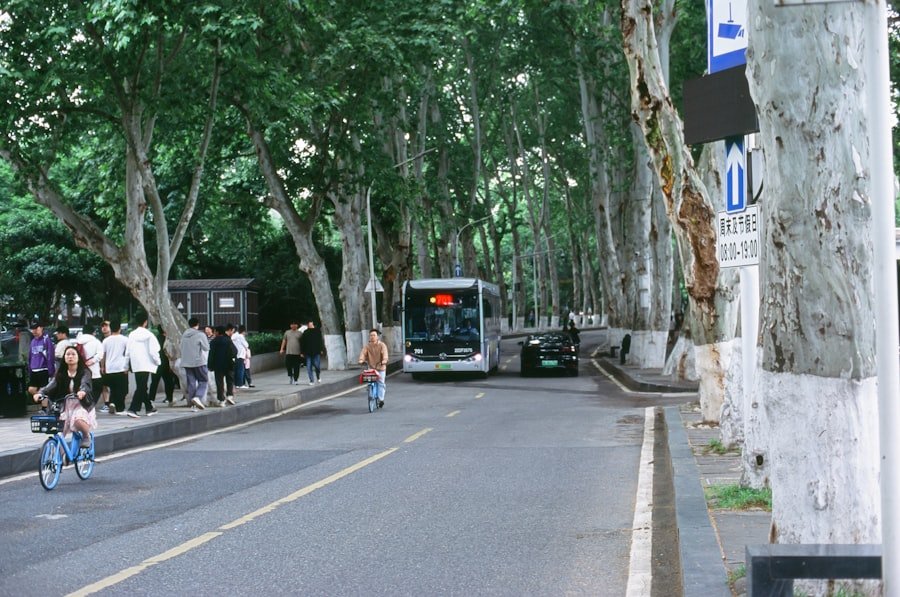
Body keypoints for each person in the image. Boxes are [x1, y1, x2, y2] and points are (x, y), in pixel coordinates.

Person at [35, 345, 95, 449]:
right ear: (64, 357)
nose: (70, 356)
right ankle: (60, 455)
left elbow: (85, 384)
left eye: (73, 354)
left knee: (78, 420)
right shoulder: (60, 373)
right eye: (68, 354)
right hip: (64, 406)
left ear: (78, 357)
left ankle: (86, 436)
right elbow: (50, 386)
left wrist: (82, 391)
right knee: (59, 432)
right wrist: (40, 393)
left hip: (82, 404)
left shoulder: (85, 372)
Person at [125, 312, 161, 418]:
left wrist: (125, 366)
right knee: (141, 386)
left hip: (136, 364)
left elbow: (127, 352)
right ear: (145, 322)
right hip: (147, 364)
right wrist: (158, 361)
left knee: (142, 386)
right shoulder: (149, 335)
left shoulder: (131, 335)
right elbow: (154, 351)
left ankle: (149, 407)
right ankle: (133, 409)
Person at [180, 317, 210, 411]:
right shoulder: (200, 334)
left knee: (191, 383)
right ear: (197, 324)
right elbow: (206, 348)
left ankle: (193, 405)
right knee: (203, 380)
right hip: (198, 361)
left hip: (186, 362)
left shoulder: (184, 334)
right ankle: (198, 397)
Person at [101, 320, 129, 415]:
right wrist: (127, 366)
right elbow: (127, 354)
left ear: (111, 328)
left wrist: (102, 367)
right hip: (121, 367)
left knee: (113, 388)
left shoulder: (106, 341)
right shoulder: (125, 339)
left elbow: (103, 355)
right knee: (122, 389)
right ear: (120, 328)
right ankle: (120, 408)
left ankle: (112, 403)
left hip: (109, 368)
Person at [75, 323, 104, 408]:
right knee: (97, 388)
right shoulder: (96, 342)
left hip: (81, 371)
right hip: (94, 371)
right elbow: (100, 354)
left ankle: (83, 406)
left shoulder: (78, 342)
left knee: (83, 388)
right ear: (93, 332)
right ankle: (91, 405)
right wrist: (93, 361)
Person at [358, 328, 388, 408]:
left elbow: (385, 355)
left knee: (381, 383)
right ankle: (371, 393)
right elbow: (363, 354)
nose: (372, 337)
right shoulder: (367, 346)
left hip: (381, 368)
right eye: (371, 335)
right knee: (369, 382)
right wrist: (361, 360)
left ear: (377, 336)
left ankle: (381, 400)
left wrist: (384, 360)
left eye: (374, 335)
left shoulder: (382, 345)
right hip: (371, 368)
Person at [208, 325, 236, 406]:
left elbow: (211, 354)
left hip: (218, 365)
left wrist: (210, 365)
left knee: (219, 382)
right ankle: (230, 395)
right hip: (228, 364)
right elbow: (235, 351)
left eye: (215, 331)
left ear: (217, 332)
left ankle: (221, 400)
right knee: (229, 380)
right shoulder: (228, 340)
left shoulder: (213, 342)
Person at [27, 322, 56, 399]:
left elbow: (50, 356)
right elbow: (30, 356)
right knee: (31, 389)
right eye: (32, 329)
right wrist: (30, 369)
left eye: (36, 329)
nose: (34, 331)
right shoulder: (33, 341)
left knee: (43, 389)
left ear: (41, 328)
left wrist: (51, 371)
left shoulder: (46, 340)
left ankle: (45, 404)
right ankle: (45, 399)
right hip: (34, 369)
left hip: (43, 369)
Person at [148, 326, 176, 405]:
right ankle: (170, 398)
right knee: (168, 382)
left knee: (154, 382)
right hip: (166, 364)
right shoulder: (168, 340)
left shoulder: (155, 339)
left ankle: (151, 399)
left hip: (156, 364)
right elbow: (171, 352)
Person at [300, 320, 325, 385]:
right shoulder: (305, 332)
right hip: (308, 353)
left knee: (317, 366)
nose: (311, 325)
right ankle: (311, 380)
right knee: (309, 367)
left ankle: (318, 376)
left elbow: (320, 341)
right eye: (310, 324)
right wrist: (302, 352)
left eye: (312, 324)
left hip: (316, 352)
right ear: (308, 325)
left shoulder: (317, 331)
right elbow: (302, 343)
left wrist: (321, 349)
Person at [280, 321, 303, 385]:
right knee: (288, 365)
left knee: (296, 367)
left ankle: (296, 379)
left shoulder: (300, 333)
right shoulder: (287, 332)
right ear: (290, 325)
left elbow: (303, 343)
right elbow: (284, 341)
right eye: (292, 324)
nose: (293, 325)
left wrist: (302, 352)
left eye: (295, 324)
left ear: (297, 325)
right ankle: (290, 375)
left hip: (297, 353)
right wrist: (281, 349)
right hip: (289, 352)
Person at [231, 324, 250, 389]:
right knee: (240, 370)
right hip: (241, 355)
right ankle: (240, 384)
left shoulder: (233, 336)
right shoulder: (240, 336)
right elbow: (246, 345)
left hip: (235, 355)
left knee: (236, 370)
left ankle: (236, 384)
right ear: (243, 331)